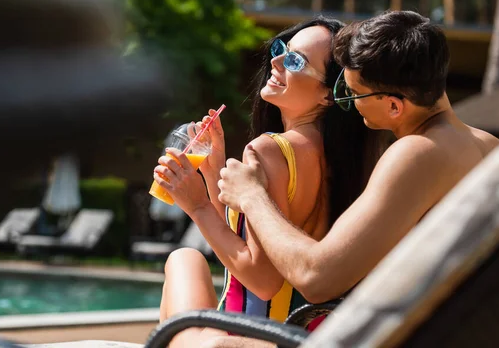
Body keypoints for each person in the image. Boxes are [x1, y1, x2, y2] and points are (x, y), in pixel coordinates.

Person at [213, 10, 499, 334]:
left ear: (394, 106)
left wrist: (253, 196)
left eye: (353, 94)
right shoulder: (490, 146)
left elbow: (316, 278)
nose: (348, 104)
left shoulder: (417, 153)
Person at [152, 17, 386, 347]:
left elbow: (262, 280)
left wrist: (198, 205)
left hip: (256, 338)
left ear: (326, 96)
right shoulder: (344, 161)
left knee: (181, 263)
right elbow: (251, 247)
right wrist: (213, 167)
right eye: (281, 50)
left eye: (295, 60)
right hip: (307, 336)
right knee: (186, 258)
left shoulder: (269, 150)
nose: (276, 61)